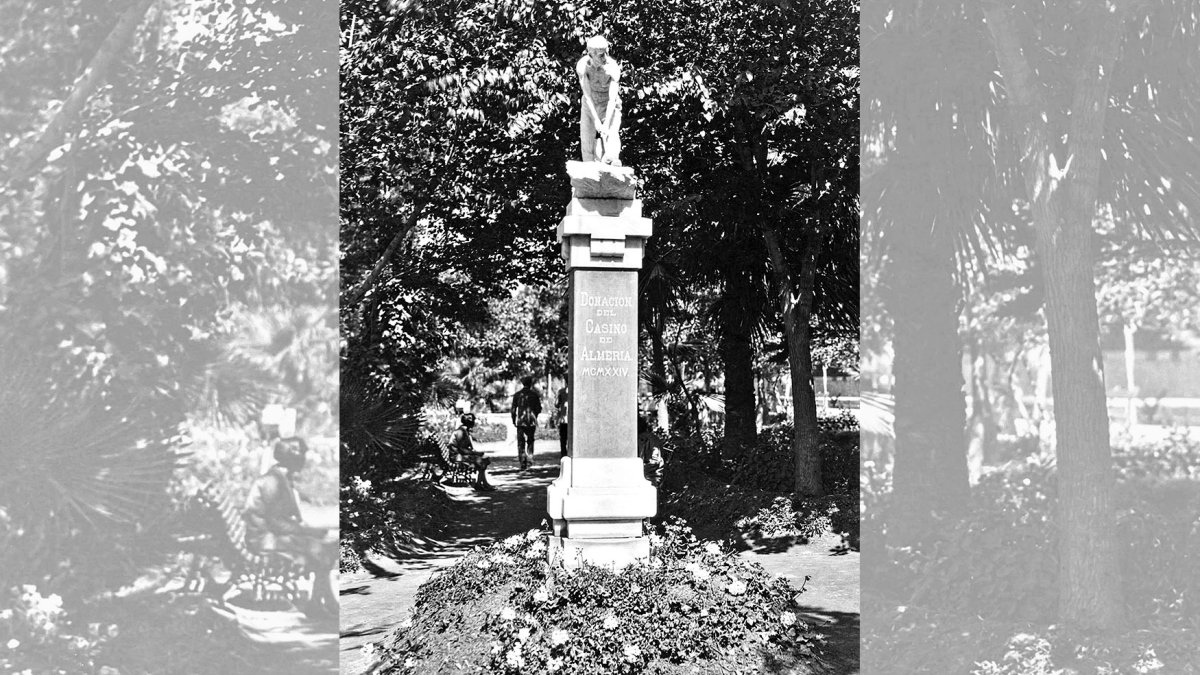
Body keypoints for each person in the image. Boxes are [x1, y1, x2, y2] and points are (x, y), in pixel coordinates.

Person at [243, 437, 338, 618]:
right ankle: (320, 603)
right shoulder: (273, 481)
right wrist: (307, 531)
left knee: (326, 547)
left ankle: (322, 602)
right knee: (323, 550)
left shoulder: (281, 478)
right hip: (264, 539)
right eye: (301, 455)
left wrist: (307, 530)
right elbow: (275, 522)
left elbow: (281, 519)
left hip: (270, 535)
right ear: (292, 457)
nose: (304, 459)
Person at [576, 35, 622, 164]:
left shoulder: (612, 67)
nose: (605, 57)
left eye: (606, 53)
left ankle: (612, 162)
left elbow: (612, 99)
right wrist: (596, 120)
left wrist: (606, 124)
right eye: (601, 55)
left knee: (612, 134)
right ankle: (589, 168)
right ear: (591, 54)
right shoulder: (583, 66)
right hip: (590, 103)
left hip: (609, 104)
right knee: (587, 140)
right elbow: (587, 95)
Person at [450, 413, 495, 491]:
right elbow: (462, 449)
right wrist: (475, 453)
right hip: (457, 457)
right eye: (473, 421)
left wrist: (475, 453)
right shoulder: (461, 432)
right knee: (481, 460)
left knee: (484, 459)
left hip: (459, 455)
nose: (474, 423)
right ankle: (480, 484)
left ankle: (483, 483)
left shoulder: (464, 430)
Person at [511, 376, 542, 470]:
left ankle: (523, 461)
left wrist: (513, 419)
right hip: (531, 421)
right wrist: (534, 415)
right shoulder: (534, 395)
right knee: (530, 441)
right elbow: (539, 408)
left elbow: (513, 409)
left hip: (521, 421)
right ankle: (529, 458)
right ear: (530, 384)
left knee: (521, 442)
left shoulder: (517, 395)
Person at [637, 417, 666, 487]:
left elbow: (654, 460)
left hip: (649, 477)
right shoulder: (652, 438)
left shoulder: (645, 438)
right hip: (652, 476)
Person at [555, 386, 569, 457]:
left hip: (564, 419)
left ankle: (563, 454)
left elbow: (556, 404)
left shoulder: (561, 391)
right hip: (572, 420)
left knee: (563, 438)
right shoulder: (577, 389)